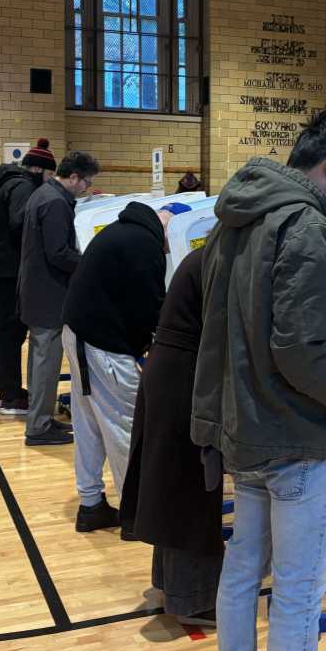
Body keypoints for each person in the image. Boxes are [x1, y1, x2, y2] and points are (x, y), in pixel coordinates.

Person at [192, 105, 326, 651]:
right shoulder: (308, 227)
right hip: (298, 438)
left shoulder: (234, 217)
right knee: (298, 592)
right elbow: (303, 353)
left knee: (242, 570)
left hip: (246, 427)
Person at [121, 246, 221, 627]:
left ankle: (173, 586)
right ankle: (193, 601)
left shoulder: (208, 255)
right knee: (189, 491)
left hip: (171, 369)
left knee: (172, 488)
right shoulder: (220, 261)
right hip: (183, 376)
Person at [61, 202, 175, 533]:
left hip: (78, 333)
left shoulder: (122, 230)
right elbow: (148, 308)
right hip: (102, 343)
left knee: (89, 423)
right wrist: (147, 349)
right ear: (168, 228)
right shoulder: (145, 245)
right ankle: (135, 514)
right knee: (125, 426)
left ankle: (91, 505)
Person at [18, 150, 101, 447]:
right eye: (87, 182)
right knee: (46, 362)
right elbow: (58, 253)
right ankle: (38, 427)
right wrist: (91, 262)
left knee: (40, 360)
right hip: (49, 294)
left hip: (38, 290)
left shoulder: (43, 194)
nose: (87, 188)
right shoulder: (55, 202)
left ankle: (40, 417)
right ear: (74, 177)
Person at [0, 139, 55, 416]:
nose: (50, 179)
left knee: (7, 334)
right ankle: (10, 395)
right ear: (38, 169)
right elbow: (19, 223)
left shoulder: (9, 183)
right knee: (10, 335)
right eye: (49, 173)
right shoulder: (23, 187)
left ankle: (10, 391)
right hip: (8, 272)